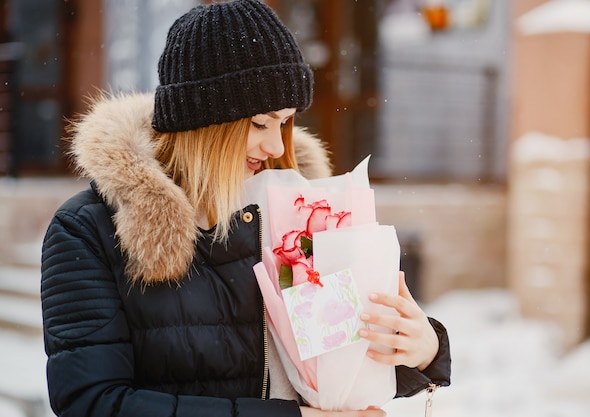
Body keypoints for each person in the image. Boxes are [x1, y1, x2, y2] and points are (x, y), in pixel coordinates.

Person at [40, 1, 451, 416]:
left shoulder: (299, 216)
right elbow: (92, 403)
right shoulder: (89, 232)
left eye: (285, 123)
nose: (275, 147)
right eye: (259, 123)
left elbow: (331, 357)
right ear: (203, 121)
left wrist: (420, 349)